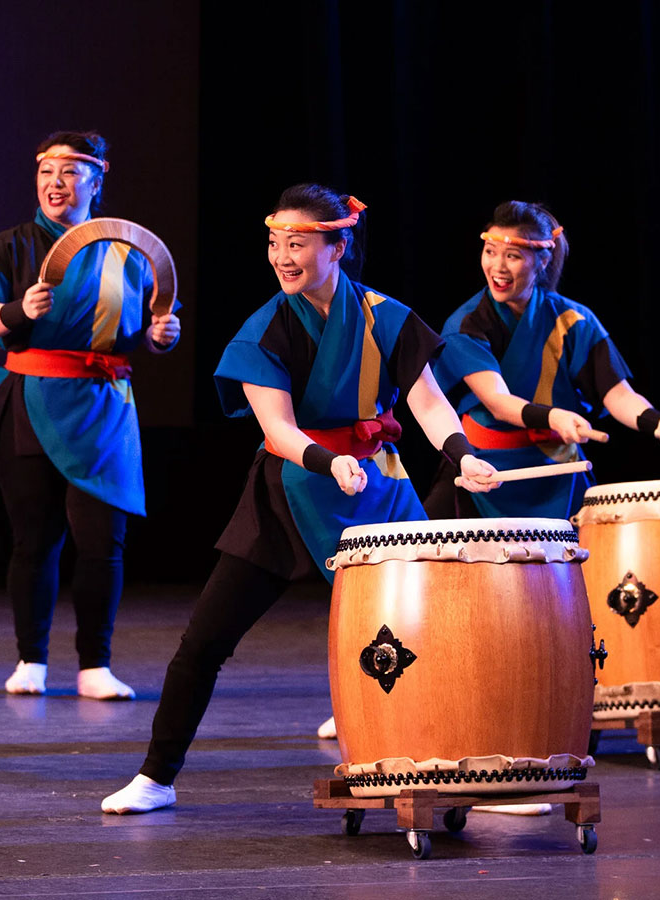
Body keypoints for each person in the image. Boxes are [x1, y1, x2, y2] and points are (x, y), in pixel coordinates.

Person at [100, 184, 498, 814]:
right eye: (275, 242)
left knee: (439, 633)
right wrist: (330, 459)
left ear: (338, 247)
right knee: (206, 640)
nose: (282, 255)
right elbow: (279, 431)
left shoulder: (385, 316)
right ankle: (156, 775)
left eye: (299, 242)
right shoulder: (265, 329)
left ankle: (478, 771)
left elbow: (428, 403)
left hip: (379, 488)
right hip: (288, 495)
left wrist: (463, 453)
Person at [0, 131, 181, 699]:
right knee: (36, 539)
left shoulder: (129, 252)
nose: (56, 183)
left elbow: (154, 326)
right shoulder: (12, 245)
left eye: (71, 173)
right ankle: (32, 660)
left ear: (96, 183)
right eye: (48, 171)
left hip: (103, 408)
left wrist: (162, 336)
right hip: (29, 400)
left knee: (103, 542)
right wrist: (16, 309)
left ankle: (95, 664)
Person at [423, 201, 660, 520]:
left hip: (557, 471)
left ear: (542, 261)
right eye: (490, 252)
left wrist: (658, 423)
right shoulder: (466, 324)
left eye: (512, 256)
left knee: (594, 560)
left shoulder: (574, 320)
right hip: (483, 468)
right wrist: (555, 418)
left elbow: (617, 393)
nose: (497, 267)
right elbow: (497, 401)